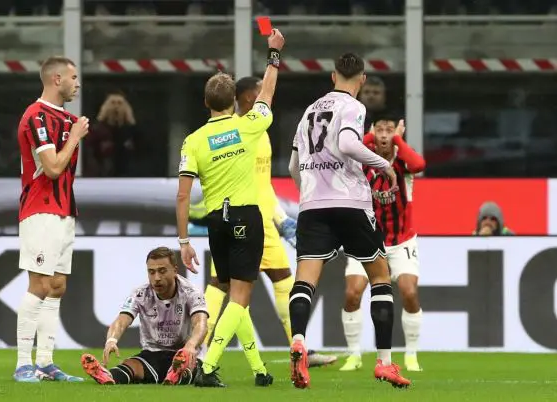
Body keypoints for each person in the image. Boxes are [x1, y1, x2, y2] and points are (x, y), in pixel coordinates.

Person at [287, 53, 411, 389]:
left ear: (332, 76)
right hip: (350, 203)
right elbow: (346, 143)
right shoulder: (353, 107)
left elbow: (291, 168)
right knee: (381, 276)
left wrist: (309, 194)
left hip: (312, 205)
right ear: (363, 78)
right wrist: (382, 165)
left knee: (305, 281)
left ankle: (298, 340)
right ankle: (385, 363)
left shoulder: (309, 112)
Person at [200, 76, 337, 368]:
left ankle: (299, 348)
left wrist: (282, 218)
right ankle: (197, 349)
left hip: (259, 218)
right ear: (247, 98)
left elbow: (262, 184)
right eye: (257, 93)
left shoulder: (259, 131)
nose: (262, 96)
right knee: (221, 285)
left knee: (282, 280)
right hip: (247, 218)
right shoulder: (242, 131)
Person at [175, 29, 285, 387]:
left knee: (233, 292)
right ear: (236, 102)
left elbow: (181, 196)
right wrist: (273, 54)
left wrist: (183, 240)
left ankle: (258, 369)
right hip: (245, 217)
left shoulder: (193, 141)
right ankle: (206, 366)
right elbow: (267, 92)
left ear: (206, 104)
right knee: (240, 296)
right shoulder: (248, 125)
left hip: (214, 223)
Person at [14, 56, 89, 383]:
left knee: (56, 286)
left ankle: (45, 362)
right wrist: (74, 137)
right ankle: (22, 364)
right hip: (40, 208)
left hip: (63, 209)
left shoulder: (67, 118)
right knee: (39, 284)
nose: (78, 83)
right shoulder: (36, 116)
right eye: (73, 77)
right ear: (56, 79)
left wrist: (73, 133)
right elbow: (54, 167)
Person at [339, 117, 426, 373]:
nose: (385, 135)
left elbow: (420, 164)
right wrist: (367, 139)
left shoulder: (403, 162)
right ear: (372, 133)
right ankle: (354, 355)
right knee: (352, 293)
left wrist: (399, 138)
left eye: (390, 130)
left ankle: (411, 354)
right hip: (366, 238)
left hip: (401, 241)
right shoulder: (363, 158)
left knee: (409, 292)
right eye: (380, 130)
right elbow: (347, 150)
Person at [80, 247, 209, 386]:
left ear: (175, 270)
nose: (157, 278)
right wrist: (111, 340)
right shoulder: (141, 294)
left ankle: (178, 374)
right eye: (151, 272)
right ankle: (108, 376)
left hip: (185, 354)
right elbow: (122, 320)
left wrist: (190, 346)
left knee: (188, 367)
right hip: (153, 353)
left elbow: (201, 324)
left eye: (162, 271)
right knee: (131, 365)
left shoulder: (191, 292)